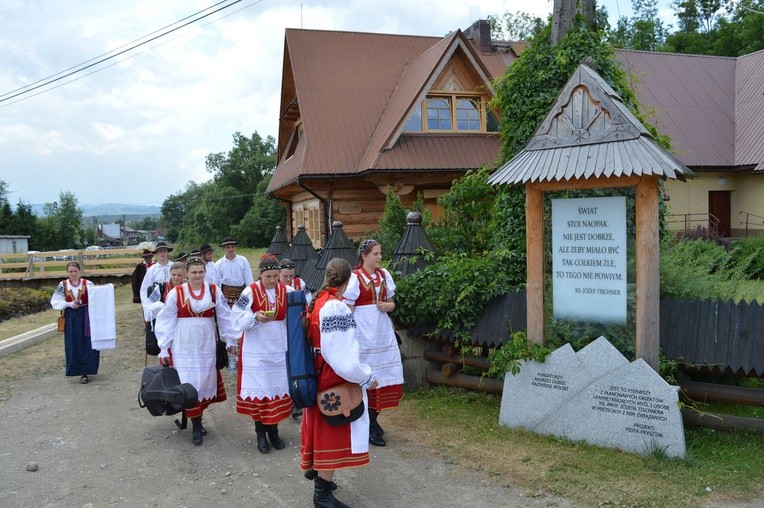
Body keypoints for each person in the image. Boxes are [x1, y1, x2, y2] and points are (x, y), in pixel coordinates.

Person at [300, 257, 378, 508]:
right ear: (350, 279)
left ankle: (321, 478)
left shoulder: (320, 300)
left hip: (320, 371)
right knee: (334, 430)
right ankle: (321, 493)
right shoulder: (336, 307)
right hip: (333, 376)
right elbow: (340, 357)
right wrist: (366, 377)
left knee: (326, 425)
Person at [154, 258, 236, 446]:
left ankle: (197, 417)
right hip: (184, 341)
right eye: (194, 272)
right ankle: (196, 426)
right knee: (189, 382)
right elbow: (166, 320)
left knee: (204, 380)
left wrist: (230, 339)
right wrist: (164, 348)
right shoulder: (177, 293)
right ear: (187, 274)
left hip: (206, 341)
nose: (198, 276)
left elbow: (224, 316)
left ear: (204, 273)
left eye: (201, 272)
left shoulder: (213, 291)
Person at [343, 239, 403, 447]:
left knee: (383, 377)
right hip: (363, 332)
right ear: (364, 256)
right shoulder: (354, 278)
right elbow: (348, 308)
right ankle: (368, 424)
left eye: (380, 253)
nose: (379, 257)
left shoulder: (384, 275)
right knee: (366, 377)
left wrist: (389, 305)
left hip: (382, 331)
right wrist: (349, 335)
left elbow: (393, 303)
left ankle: (374, 420)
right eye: (375, 254)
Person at [230, 255, 293, 454]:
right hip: (256, 349)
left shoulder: (287, 291)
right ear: (260, 274)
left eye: (276, 276)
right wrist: (254, 317)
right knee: (260, 391)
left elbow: (300, 311)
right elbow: (236, 317)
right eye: (269, 276)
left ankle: (273, 431)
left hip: (278, 348)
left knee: (276, 391)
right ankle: (260, 433)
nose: (273, 280)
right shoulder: (250, 291)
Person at [50, 261, 99, 384]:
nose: (73, 273)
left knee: (88, 341)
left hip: (86, 314)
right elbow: (55, 301)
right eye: (70, 271)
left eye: (75, 271)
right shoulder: (63, 284)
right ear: (67, 272)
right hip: (71, 315)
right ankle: (77, 370)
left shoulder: (88, 283)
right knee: (74, 341)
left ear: (79, 271)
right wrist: (69, 304)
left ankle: (87, 371)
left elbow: (97, 297)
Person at [279, 257, 312, 419]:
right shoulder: (275, 287)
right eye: (285, 276)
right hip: (280, 330)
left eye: (291, 276)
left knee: (296, 362)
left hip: (296, 328)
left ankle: (295, 401)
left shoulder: (300, 283)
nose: (288, 279)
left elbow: (309, 301)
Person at [139, 241, 174, 324]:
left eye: (164, 251)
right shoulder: (152, 270)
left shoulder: (174, 266)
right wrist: (147, 305)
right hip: (158, 299)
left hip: (173, 297)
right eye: (160, 251)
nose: (163, 254)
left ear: (167, 252)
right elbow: (144, 289)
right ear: (157, 253)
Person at [215, 237, 254, 306]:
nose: (231, 249)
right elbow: (215, 283)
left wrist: (251, 294)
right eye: (228, 247)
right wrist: (217, 297)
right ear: (224, 248)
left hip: (241, 294)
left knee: (241, 315)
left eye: (232, 247)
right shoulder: (219, 264)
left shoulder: (243, 260)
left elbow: (249, 279)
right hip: (225, 296)